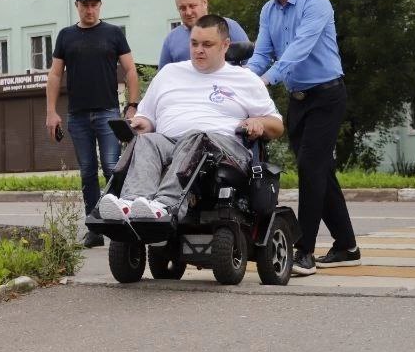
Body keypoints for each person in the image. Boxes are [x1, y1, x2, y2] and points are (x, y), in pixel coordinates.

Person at [98, 15, 282, 220]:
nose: (198, 50)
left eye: (207, 44)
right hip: (171, 143)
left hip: (222, 149)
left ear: (225, 45)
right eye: (194, 43)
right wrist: (143, 123)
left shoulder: (244, 79)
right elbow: (147, 117)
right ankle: (132, 204)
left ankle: (166, 205)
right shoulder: (169, 73)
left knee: (196, 136)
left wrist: (259, 122)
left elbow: (277, 125)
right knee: (147, 140)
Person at [246, 0, 357, 277]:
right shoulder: (268, 11)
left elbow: (299, 50)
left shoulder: (315, 1)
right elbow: (262, 53)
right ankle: (347, 247)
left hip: (327, 95)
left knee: (311, 168)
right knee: (321, 171)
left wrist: (268, 79)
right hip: (297, 101)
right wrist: (241, 81)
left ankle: (304, 251)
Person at [46, 0, 140, 248]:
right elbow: (54, 75)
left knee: (112, 168)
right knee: (87, 172)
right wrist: (51, 112)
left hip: (108, 113)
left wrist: (132, 105)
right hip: (77, 116)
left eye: (94, 4)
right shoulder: (65, 36)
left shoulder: (113, 33)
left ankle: (120, 224)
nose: (90, 9)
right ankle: (95, 227)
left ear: (100, 5)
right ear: (77, 6)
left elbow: (131, 70)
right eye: (85, 4)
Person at [158, 0, 250, 67]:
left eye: (192, 6)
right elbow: (162, 77)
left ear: (204, 3)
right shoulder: (171, 39)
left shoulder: (228, 26)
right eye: (182, 8)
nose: (188, 12)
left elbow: (250, 62)